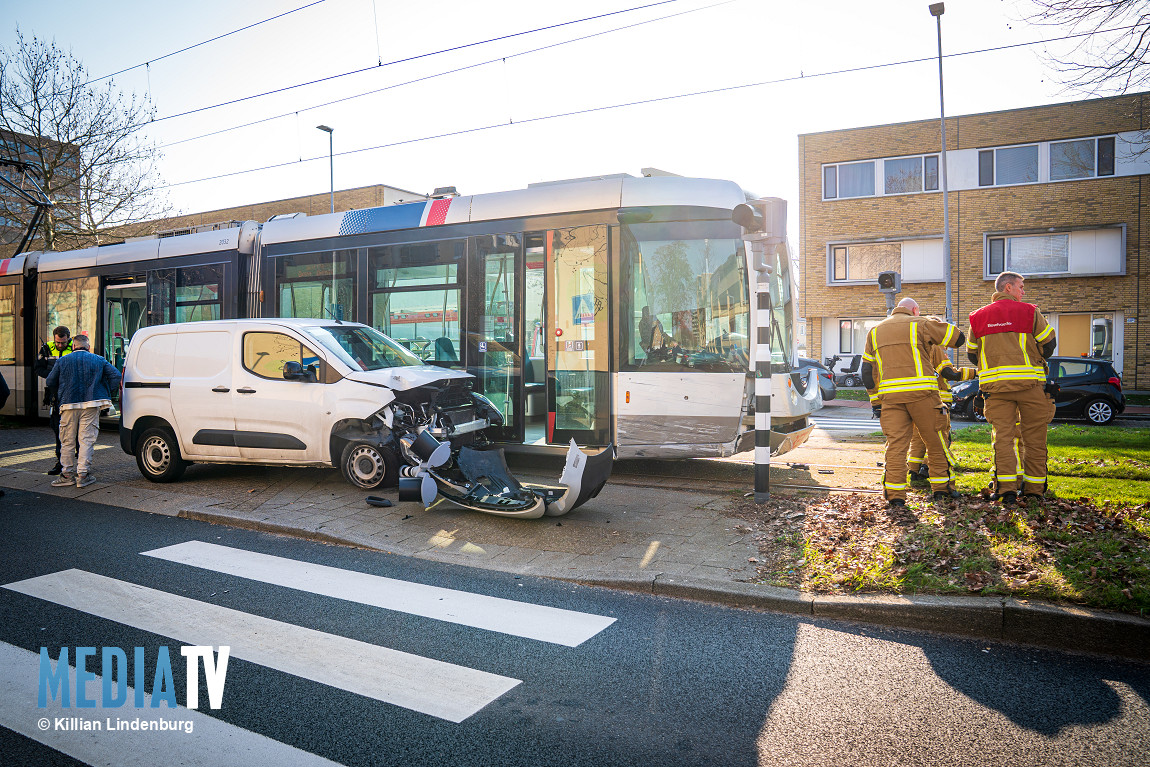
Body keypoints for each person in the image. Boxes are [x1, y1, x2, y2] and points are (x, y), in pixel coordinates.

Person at [861, 297, 966, 507]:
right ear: (915, 310)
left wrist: (876, 402)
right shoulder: (922, 323)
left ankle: (895, 496)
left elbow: (866, 372)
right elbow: (958, 338)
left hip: (891, 398)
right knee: (936, 442)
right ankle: (941, 490)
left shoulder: (874, 331)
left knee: (896, 446)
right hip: (923, 396)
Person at [967, 272, 1056, 506]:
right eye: (1021, 286)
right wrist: (1033, 358)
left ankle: (1005, 489)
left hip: (995, 389)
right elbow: (1049, 344)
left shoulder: (977, 318)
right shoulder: (1029, 312)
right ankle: (1034, 490)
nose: (1023, 291)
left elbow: (971, 354)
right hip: (1031, 386)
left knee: (1002, 439)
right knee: (1034, 438)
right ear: (1008, 288)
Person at [44, 334, 121, 488]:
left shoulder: (62, 361)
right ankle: (83, 475)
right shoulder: (98, 359)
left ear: (73, 346)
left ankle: (67, 475)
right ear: (88, 347)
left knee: (67, 441)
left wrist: (62, 393)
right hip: (91, 404)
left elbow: (50, 381)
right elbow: (116, 375)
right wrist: (104, 391)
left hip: (68, 404)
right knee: (86, 440)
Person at [907, 331, 977, 481]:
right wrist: (975, 372)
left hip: (918, 399)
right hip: (938, 401)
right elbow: (949, 373)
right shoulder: (936, 347)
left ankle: (913, 471)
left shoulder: (917, 347)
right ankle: (931, 470)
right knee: (941, 439)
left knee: (918, 438)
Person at [34, 325, 73, 475]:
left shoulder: (75, 346)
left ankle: (76, 460)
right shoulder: (46, 348)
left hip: (71, 394)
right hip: (55, 394)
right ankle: (61, 462)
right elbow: (38, 369)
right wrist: (54, 375)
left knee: (74, 429)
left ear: (68, 339)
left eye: (63, 342)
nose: (60, 345)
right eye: (58, 342)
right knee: (57, 428)